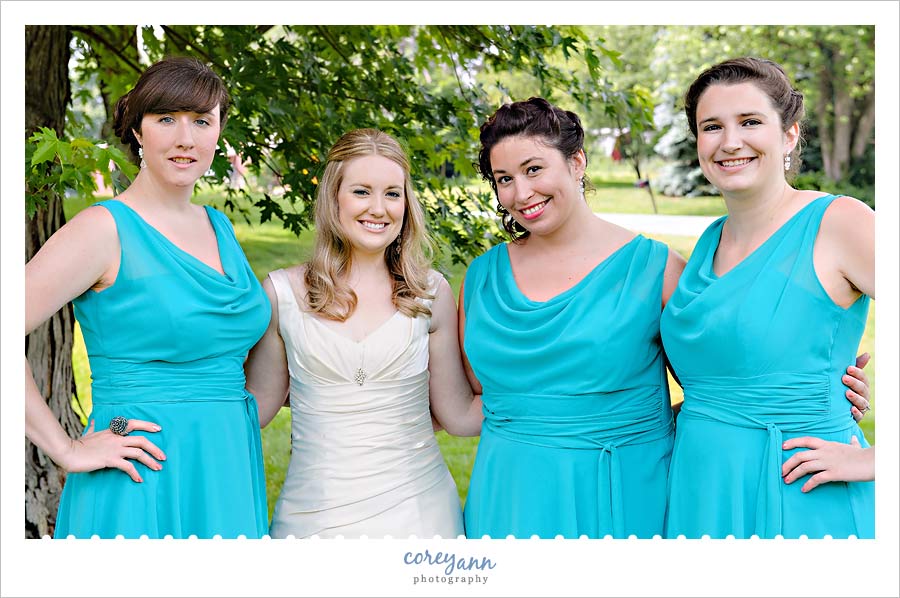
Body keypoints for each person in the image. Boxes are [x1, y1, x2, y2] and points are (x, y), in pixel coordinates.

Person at [457, 97, 872, 540]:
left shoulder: (657, 269)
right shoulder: (481, 278)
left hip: (621, 488)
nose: (521, 193)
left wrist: (816, 394)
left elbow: (718, 381)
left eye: (534, 169)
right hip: (506, 492)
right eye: (505, 179)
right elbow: (474, 401)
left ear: (576, 162)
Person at [25, 56, 271, 539]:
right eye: (166, 120)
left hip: (226, 469)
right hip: (139, 470)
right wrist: (66, 448)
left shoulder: (218, 227)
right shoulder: (103, 230)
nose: (186, 138)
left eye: (202, 121)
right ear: (138, 131)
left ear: (218, 133)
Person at [661, 57, 875, 539]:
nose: (730, 141)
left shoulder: (839, 223)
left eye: (750, 122)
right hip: (701, 485)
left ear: (790, 135)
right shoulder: (708, 244)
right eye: (712, 126)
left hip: (798, 491)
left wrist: (875, 459)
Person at [244, 128, 480, 539]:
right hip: (312, 522)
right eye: (361, 191)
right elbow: (254, 410)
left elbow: (457, 415)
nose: (379, 208)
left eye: (393, 193)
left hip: (422, 522)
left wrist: (558, 395)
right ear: (334, 197)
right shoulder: (282, 294)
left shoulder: (430, 292)